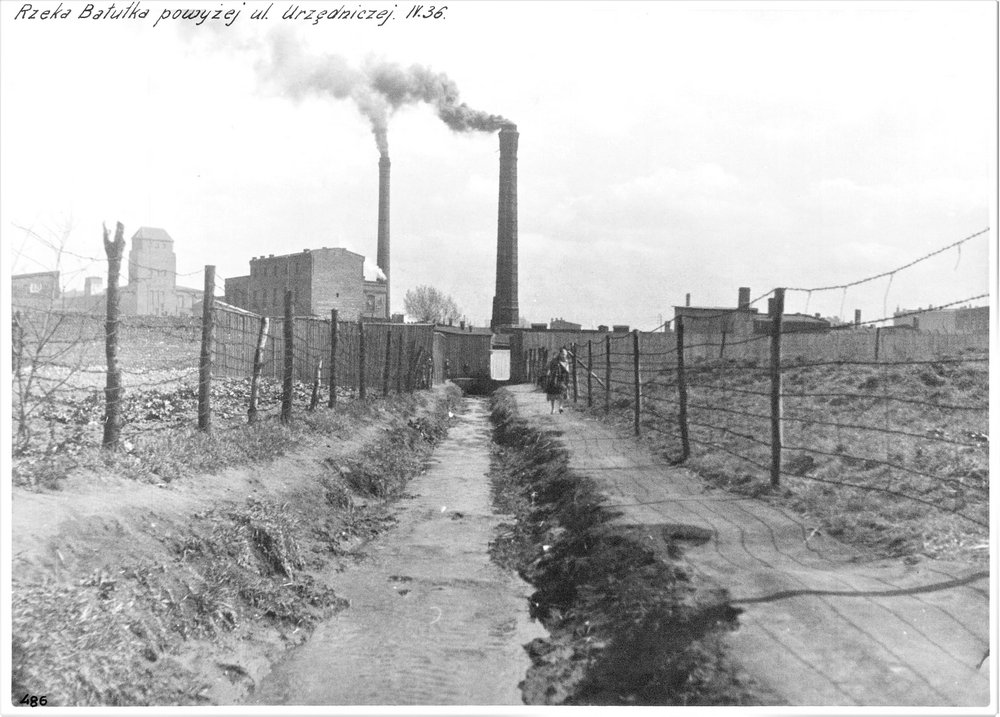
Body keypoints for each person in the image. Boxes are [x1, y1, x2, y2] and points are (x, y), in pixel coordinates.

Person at [544, 348, 571, 414]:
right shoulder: (554, 360)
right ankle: (553, 409)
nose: (564, 356)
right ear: (560, 354)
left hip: (562, 379)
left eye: (565, 354)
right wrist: (549, 373)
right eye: (563, 354)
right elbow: (549, 367)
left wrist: (567, 379)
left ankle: (560, 406)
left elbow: (567, 371)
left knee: (562, 392)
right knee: (552, 394)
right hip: (554, 378)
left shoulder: (566, 362)